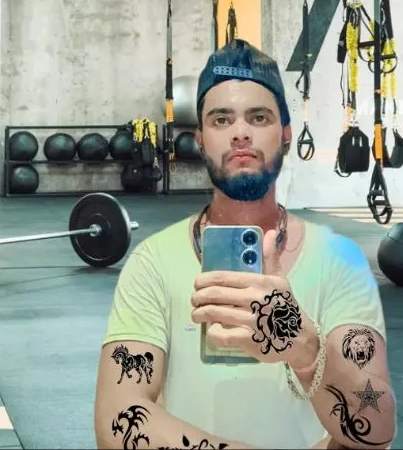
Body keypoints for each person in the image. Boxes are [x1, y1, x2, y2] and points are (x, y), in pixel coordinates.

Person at [94, 39, 396, 450]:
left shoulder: (340, 262)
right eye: (221, 120)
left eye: (258, 117)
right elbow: (118, 420)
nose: (240, 133)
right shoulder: (153, 262)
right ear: (199, 138)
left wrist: (304, 347)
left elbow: (376, 428)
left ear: (286, 133)